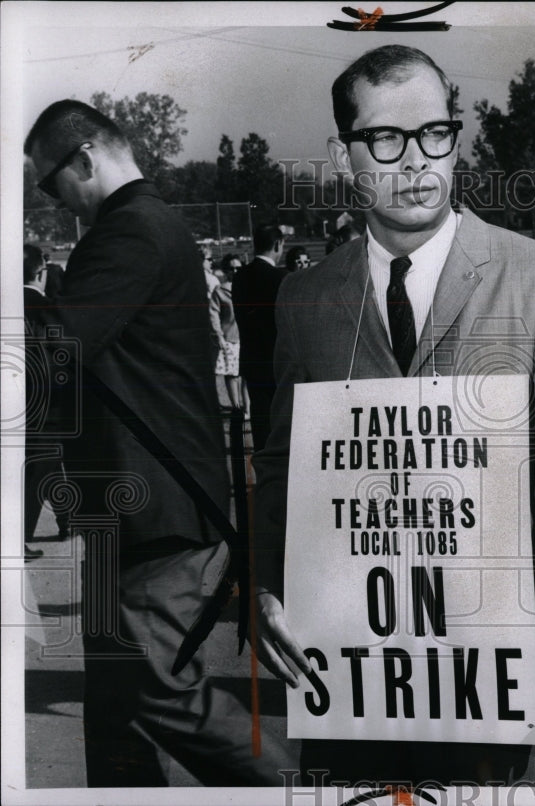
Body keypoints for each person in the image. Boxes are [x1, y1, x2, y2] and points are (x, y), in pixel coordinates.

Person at [252, 44, 535, 784]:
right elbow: (279, 466)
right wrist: (266, 583)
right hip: (350, 676)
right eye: (385, 140)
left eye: (435, 134)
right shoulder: (304, 300)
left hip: (490, 676)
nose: (416, 161)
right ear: (343, 154)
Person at [24, 99, 294, 786]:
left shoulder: (131, 232)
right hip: (134, 510)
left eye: (49, 184)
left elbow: (56, 351)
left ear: (83, 159)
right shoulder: (145, 227)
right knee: (117, 712)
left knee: (159, 692)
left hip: (155, 515)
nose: (53, 203)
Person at [22, 244, 72, 557]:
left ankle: (66, 518)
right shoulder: (45, 309)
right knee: (40, 466)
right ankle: (18, 534)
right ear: (41, 272)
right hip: (46, 400)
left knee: (48, 463)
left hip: (20, 399)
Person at [231, 223, 287, 450]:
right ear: (277, 244)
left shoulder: (240, 277)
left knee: (261, 423)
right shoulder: (281, 278)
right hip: (277, 361)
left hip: (252, 359)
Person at [210, 253, 248, 411]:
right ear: (226, 271)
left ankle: (248, 408)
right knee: (232, 374)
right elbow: (213, 315)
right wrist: (219, 336)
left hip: (247, 337)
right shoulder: (219, 292)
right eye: (231, 268)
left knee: (245, 375)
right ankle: (236, 406)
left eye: (238, 268)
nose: (235, 271)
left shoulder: (248, 287)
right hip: (230, 339)